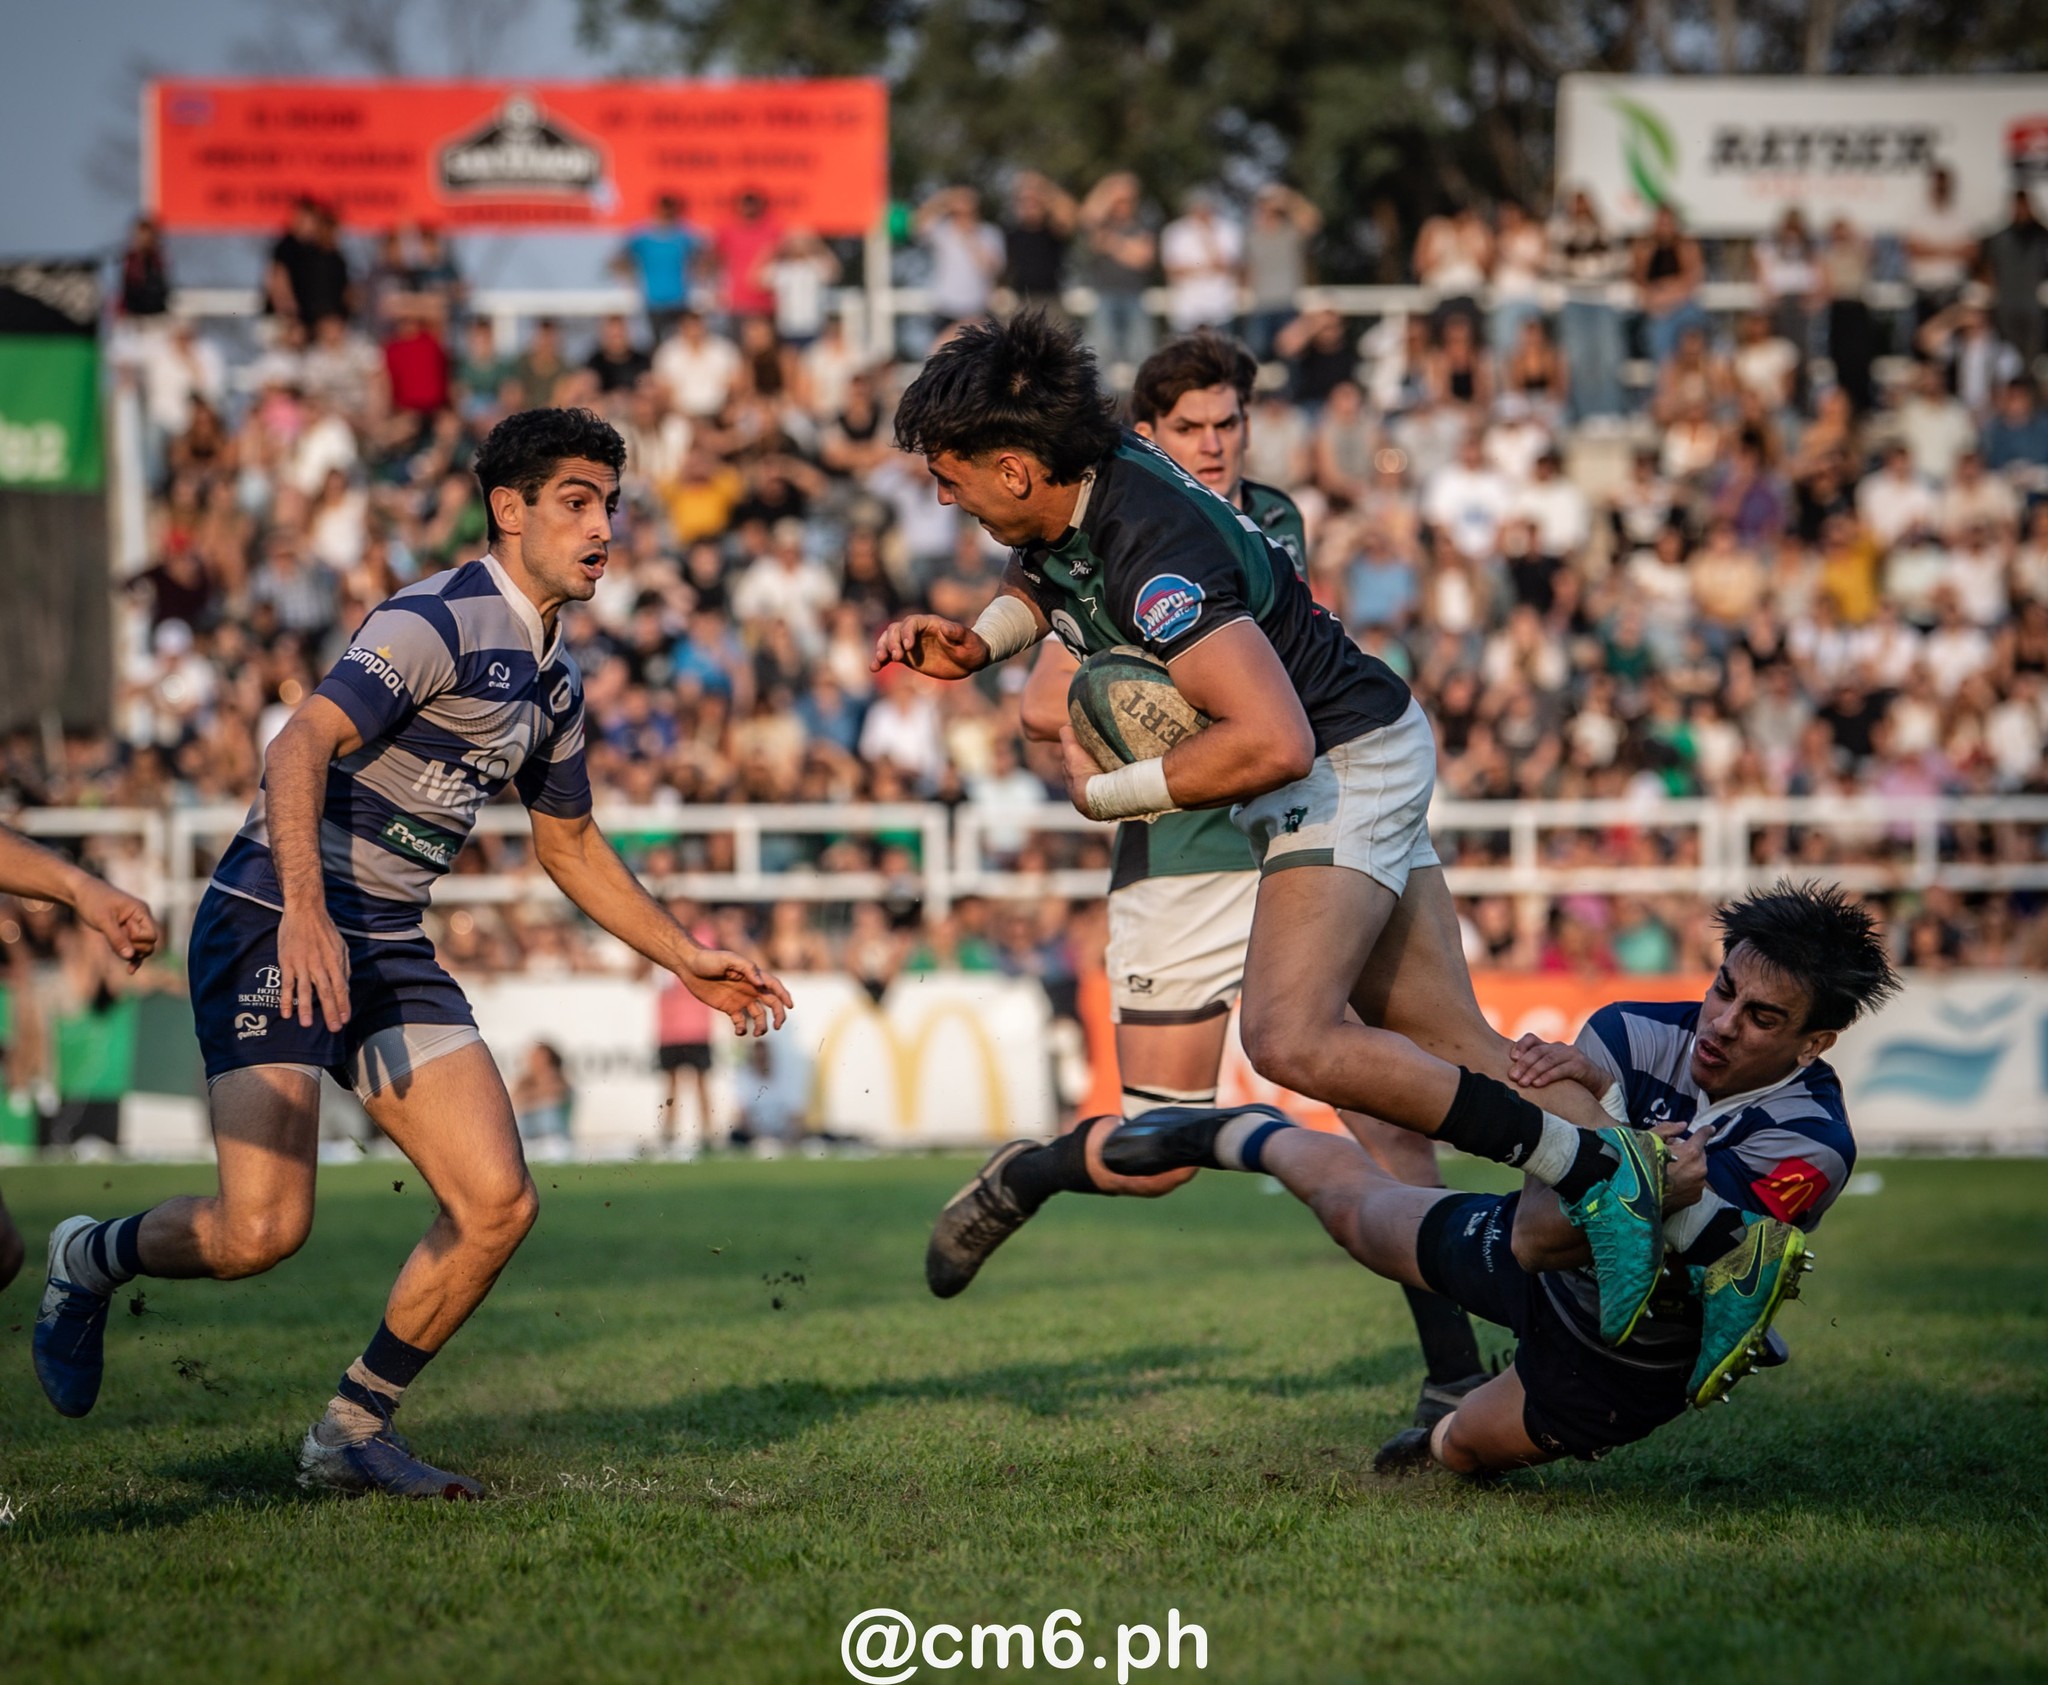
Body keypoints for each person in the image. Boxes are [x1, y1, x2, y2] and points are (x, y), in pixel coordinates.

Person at [872, 313, 1668, 1361]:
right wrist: (981, 641)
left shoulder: (1154, 555)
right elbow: (1046, 574)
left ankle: (1598, 1178)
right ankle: (1689, 1232)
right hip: (1355, 744)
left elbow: (1274, 739)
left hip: (1333, 764)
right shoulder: (1092, 467)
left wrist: (1107, 793)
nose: (942, 497)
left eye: (949, 476)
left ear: (1017, 469)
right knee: (1465, 1048)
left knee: (1290, 1038)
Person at [30, 407, 792, 1498]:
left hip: (383, 938)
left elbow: (567, 842)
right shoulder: (436, 619)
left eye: (610, 506)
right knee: (260, 1228)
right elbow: (297, 743)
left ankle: (349, 1428)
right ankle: (85, 1257)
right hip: (268, 918)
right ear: (509, 508)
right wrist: (302, 906)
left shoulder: (553, 676)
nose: (602, 528)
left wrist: (685, 955)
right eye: (577, 501)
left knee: (497, 1200)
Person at [922, 330, 1494, 1445]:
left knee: (1382, 1104)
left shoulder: (1248, 515)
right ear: (1145, 435)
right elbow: (1058, 693)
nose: (1215, 442)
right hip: (1178, 849)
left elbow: (1267, 693)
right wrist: (1114, 705)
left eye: (1228, 422)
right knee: (1154, 1148)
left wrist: (1167, 715)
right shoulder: (1102, 521)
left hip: (1293, 810)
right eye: (1190, 428)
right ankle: (1033, 1170)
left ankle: (1453, 1370)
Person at [1102, 882, 1899, 1472]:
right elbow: (1535, 1236)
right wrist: (1643, 1162)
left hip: (1632, 1355)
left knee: (1455, 1452)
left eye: (1763, 1017)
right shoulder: (1632, 1029)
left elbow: (1583, 1232)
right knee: (1359, 1213)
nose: (1722, 1023)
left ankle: (1457, 1424)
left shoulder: (1811, 1145)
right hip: (1542, 1264)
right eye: (1725, 987)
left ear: (1813, 1043)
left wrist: (1608, 1126)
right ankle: (1231, 1130)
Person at [1, 826, 162, 1292]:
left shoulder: (71, 931)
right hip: (39, 994)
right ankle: (28, 1081)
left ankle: (35, 1081)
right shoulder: (11, 922)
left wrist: (80, 888)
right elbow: (24, 971)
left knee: (4, 1253)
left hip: (68, 989)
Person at [1076, 172, 1158, 372]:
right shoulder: (1101, 224)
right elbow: (1086, 216)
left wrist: (1111, 243)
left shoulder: (1142, 224)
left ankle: (1139, 400)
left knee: (1142, 352)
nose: (1123, 205)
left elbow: (1144, 258)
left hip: (1135, 296)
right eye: (1119, 200)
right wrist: (1109, 186)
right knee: (1099, 353)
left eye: (1128, 200)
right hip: (1104, 295)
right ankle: (1099, 402)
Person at [613, 193, 707, 340]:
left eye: (669, 208)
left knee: (679, 344)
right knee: (656, 343)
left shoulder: (684, 236)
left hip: (679, 300)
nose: (666, 212)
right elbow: (619, 258)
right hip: (653, 301)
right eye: (663, 208)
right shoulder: (642, 237)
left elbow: (704, 256)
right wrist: (628, 278)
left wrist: (700, 277)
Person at [1160, 191, 1243, 335]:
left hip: (1220, 309)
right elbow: (1172, 270)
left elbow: (1227, 265)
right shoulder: (1175, 231)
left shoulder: (1228, 229)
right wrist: (1206, 267)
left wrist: (1207, 236)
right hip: (1186, 312)